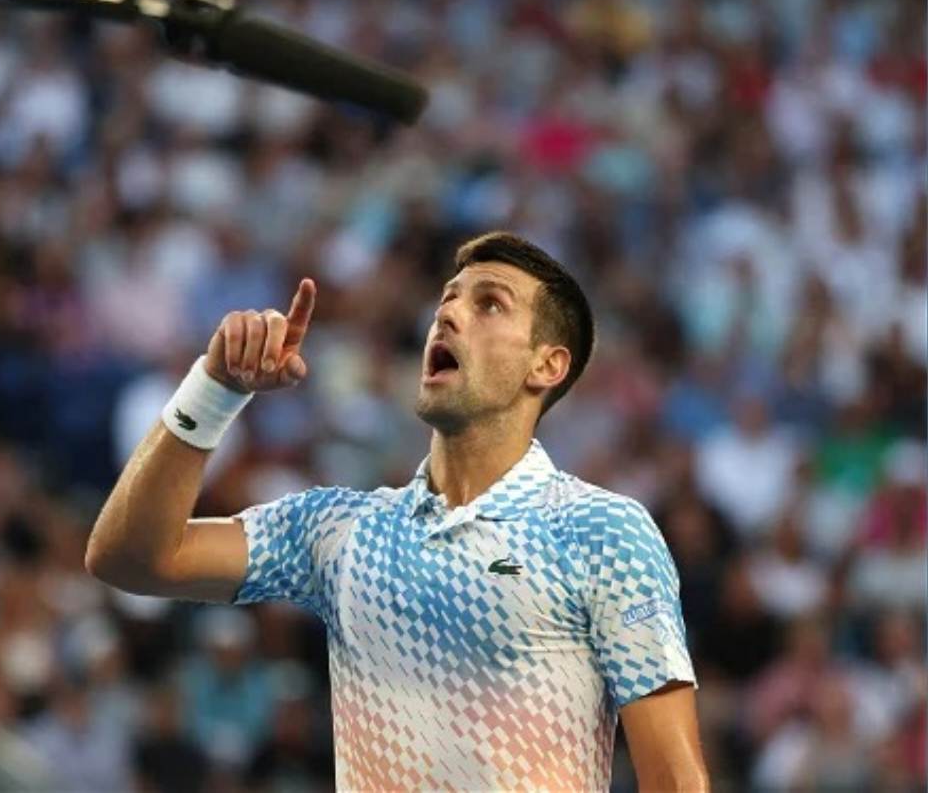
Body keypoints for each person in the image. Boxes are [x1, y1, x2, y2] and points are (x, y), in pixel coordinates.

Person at [86, 231, 708, 791]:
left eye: (488, 303)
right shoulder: (337, 530)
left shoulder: (601, 532)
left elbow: (675, 779)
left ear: (546, 365)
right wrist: (215, 390)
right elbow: (131, 559)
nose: (448, 314)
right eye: (449, 299)